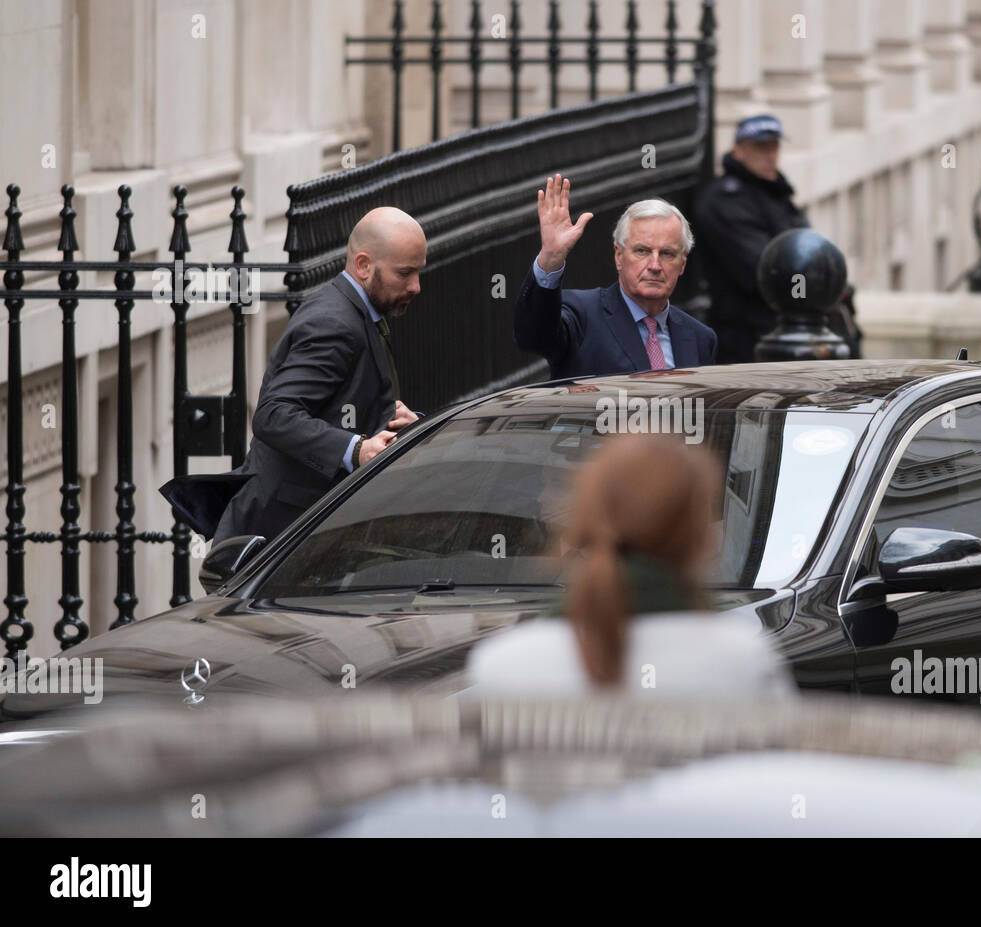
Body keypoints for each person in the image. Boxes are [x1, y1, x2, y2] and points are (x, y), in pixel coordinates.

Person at [466, 434, 795, 698]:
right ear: (697, 535)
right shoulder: (741, 661)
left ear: (582, 514)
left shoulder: (503, 665)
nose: (540, 499)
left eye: (555, 485)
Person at [200, 207, 426, 542]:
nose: (416, 286)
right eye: (405, 273)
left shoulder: (359, 311)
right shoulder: (334, 323)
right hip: (276, 539)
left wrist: (402, 422)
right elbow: (274, 416)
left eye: (419, 272)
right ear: (364, 265)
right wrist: (357, 449)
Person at [693, 114, 861, 362]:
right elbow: (767, 270)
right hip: (756, 338)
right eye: (761, 148)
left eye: (774, 147)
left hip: (796, 331)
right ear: (738, 151)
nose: (770, 155)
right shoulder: (725, 200)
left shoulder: (775, 192)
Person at [513, 175, 717, 378]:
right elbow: (533, 338)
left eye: (667, 254)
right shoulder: (582, 316)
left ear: (682, 263)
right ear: (619, 256)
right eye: (642, 251)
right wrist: (550, 259)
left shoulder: (700, 338)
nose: (655, 266)